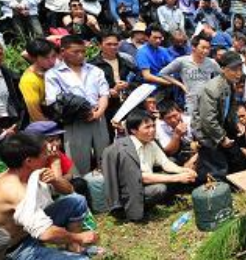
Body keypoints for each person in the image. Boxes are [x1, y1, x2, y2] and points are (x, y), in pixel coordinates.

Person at [0, 133, 96, 260]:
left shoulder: (27, 173)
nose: (48, 155)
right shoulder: (14, 189)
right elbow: (46, 233)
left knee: (76, 201)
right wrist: (79, 237)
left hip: (26, 235)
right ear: (29, 161)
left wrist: (54, 179)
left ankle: (73, 249)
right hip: (11, 253)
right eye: (44, 153)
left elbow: (69, 191)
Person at [102, 109, 197, 222]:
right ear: (133, 130)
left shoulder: (150, 142)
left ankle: (163, 200)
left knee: (173, 163)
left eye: (153, 126)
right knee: (159, 189)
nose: (152, 130)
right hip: (130, 190)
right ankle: (136, 209)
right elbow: (141, 177)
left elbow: (165, 162)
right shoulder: (126, 150)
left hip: (143, 181)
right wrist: (177, 177)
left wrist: (183, 171)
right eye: (147, 127)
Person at [44, 35, 109, 176]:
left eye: (83, 52)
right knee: (78, 162)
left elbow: (104, 94)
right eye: (75, 52)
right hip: (75, 121)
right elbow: (53, 101)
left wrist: (99, 111)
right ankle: (81, 190)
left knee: (104, 157)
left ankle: (106, 189)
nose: (80, 55)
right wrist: (81, 111)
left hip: (98, 117)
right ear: (63, 51)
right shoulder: (53, 75)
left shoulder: (95, 70)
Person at [195, 51, 246, 182]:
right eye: (234, 70)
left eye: (240, 69)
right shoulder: (212, 89)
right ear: (223, 69)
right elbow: (208, 120)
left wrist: (237, 123)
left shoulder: (229, 84)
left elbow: (231, 107)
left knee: (236, 159)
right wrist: (222, 138)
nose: (238, 74)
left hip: (221, 127)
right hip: (208, 133)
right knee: (217, 170)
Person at [159, 33, 221, 116]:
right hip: (191, 102)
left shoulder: (212, 62)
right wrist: (181, 85)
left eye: (208, 48)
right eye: (203, 48)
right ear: (193, 47)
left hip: (208, 102)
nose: (206, 51)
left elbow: (221, 77)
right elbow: (163, 73)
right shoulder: (182, 61)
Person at [20, 39, 57, 123]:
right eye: (46, 58)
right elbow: (35, 113)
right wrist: (50, 131)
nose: (51, 61)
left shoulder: (52, 70)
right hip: (45, 125)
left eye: (54, 56)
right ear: (34, 58)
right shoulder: (29, 80)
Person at [156, 100, 196, 167]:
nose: (173, 120)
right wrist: (177, 135)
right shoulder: (160, 126)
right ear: (162, 119)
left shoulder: (190, 121)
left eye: (175, 115)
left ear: (180, 112)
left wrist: (192, 160)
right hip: (177, 153)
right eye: (168, 118)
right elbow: (168, 151)